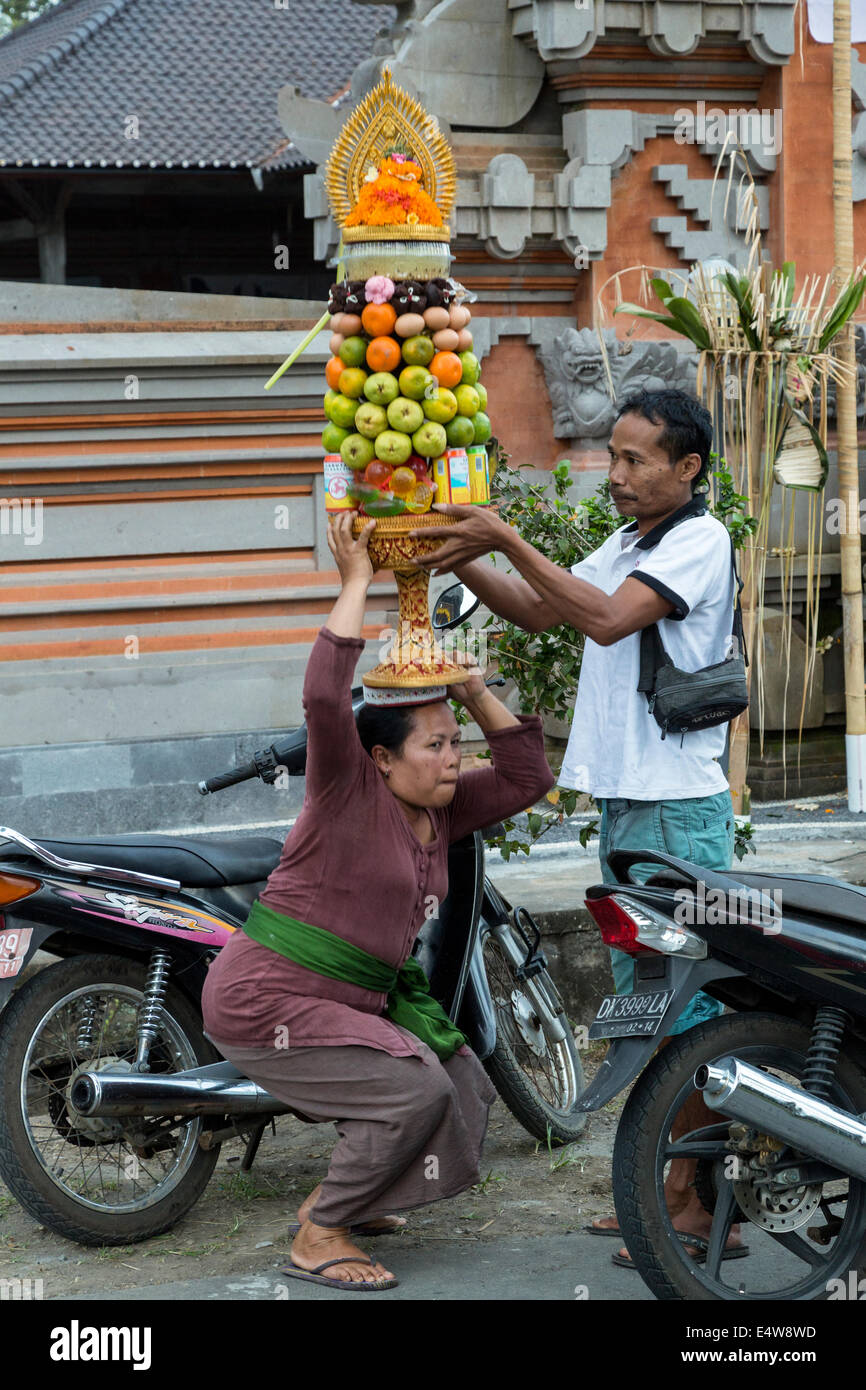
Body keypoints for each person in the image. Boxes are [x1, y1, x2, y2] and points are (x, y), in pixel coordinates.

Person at [413, 388, 744, 1266]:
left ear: (688, 468)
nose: (619, 475)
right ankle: (675, 1188)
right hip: (633, 810)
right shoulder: (632, 544)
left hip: (677, 813)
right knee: (652, 1004)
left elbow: (603, 620)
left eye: (637, 461)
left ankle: (696, 1203)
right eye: (615, 456)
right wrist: (451, 556)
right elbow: (540, 608)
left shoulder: (699, 542)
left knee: (692, 1008)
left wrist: (504, 534)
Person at [201, 511, 555, 1290]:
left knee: (458, 1078)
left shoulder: (443, 808)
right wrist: (358, 581)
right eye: (436, 746)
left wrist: (469, 688)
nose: (453, 757)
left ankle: (360, 1199)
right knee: (412, 1085)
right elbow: (326, 699)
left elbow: (529, 777)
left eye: (454, 742)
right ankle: (320, 1232)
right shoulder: (343, 789)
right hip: (268, 998)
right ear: (383, 760)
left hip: (351, 1000)